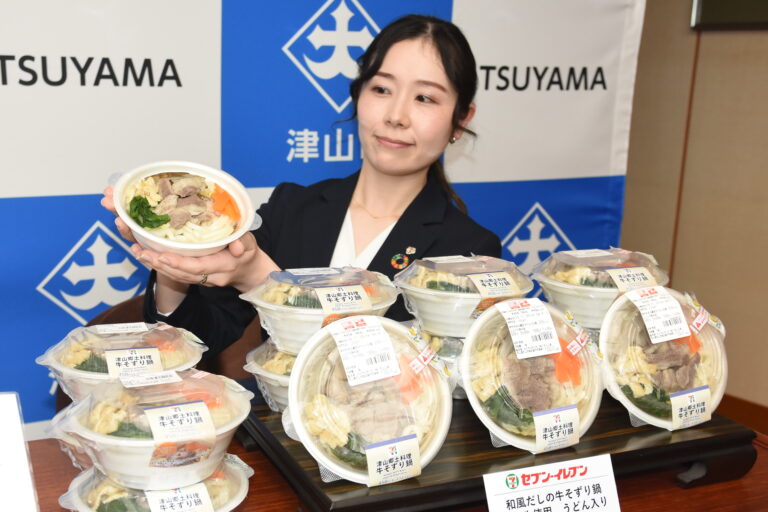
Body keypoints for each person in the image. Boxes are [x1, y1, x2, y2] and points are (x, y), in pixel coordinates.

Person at [103, 14, 501, 355]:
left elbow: (411, 379)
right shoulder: (292, 207)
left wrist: (260, 275)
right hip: (273, 440)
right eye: (381, 89)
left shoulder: (470, 255)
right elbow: (199, 338)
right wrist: (175, 261)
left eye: (425, 99)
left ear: (461, 119)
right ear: (358, 95)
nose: (396, 115)